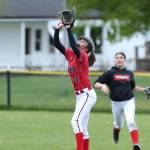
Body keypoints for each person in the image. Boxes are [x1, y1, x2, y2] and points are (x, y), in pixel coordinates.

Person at [53, 22, 97, 150]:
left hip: (87, 94)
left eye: (84, 41)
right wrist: (57, 30)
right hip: (80, 96)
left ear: (87, 48)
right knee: (82, 127)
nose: (81, 40)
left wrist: (68, 28)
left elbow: (73, 44)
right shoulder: (71, 54)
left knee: (75, 121)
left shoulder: (82, 55)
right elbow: (57, 44)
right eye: (80, 39)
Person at [94, 52, 146, 150]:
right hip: (116, 103)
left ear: (124, 60)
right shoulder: (110, 73)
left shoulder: (129, 73)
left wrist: (144, 90)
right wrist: (102, 85)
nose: (119, 59)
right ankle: (116, 133)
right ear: (114, 60)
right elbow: (95, 83)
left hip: (129, 101)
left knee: (131, 121)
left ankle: (136, 144)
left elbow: (133, 87)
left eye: (121, 57)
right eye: (117, 57)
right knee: (118, 123)